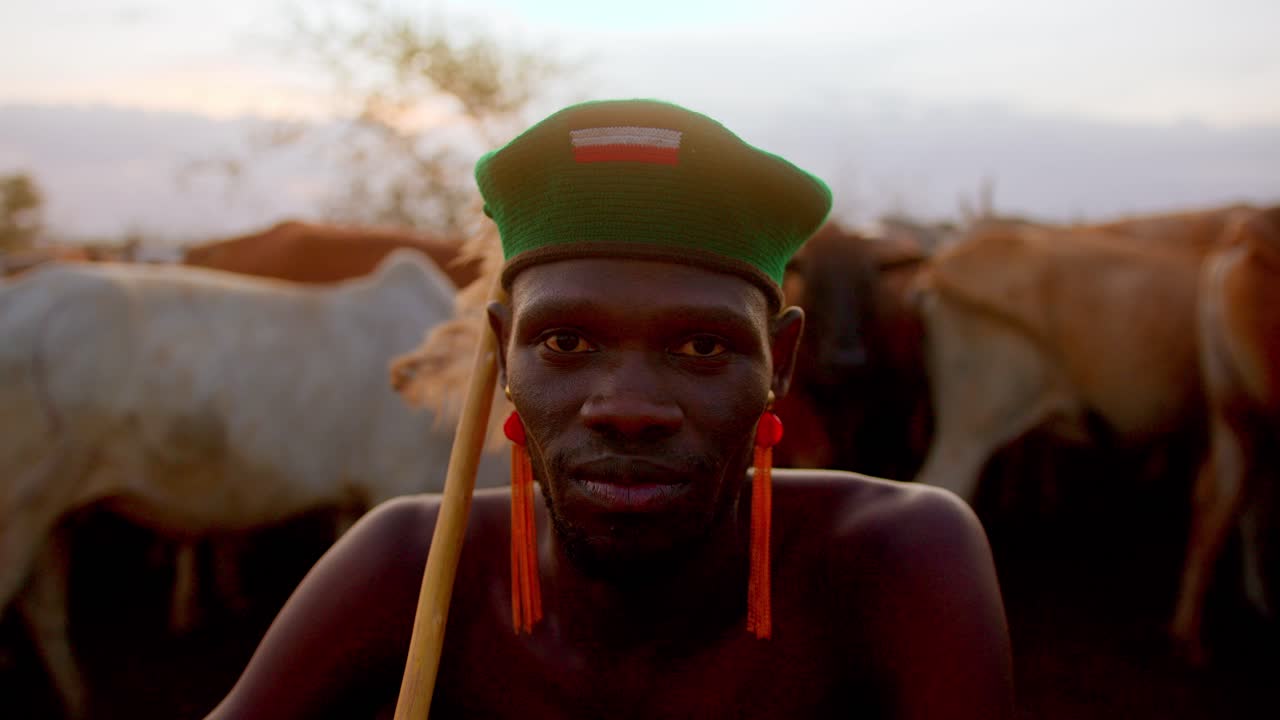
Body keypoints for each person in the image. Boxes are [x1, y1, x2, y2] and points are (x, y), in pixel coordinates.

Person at [205, 99, 1013, 719]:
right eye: (564, 342)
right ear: (502, 351)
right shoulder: (409, 567)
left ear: (783, 361)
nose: (628, 407)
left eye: (701, 347)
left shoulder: (897, 560)